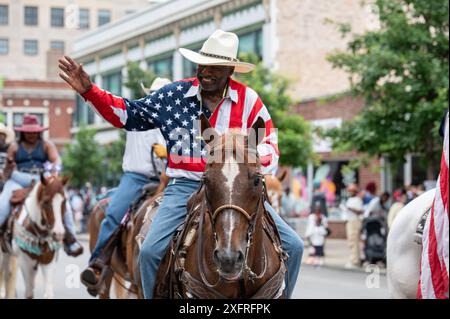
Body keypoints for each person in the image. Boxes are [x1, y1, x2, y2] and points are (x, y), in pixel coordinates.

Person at [59, 29, 304, 299]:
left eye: (214, 67)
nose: (205, 72)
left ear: (229, 71)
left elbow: (268, 143)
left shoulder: (249, 102)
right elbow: (128, 114)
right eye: (202, 65)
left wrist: (243, 162)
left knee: (295, 246)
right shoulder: (174, 96)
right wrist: (90, 91)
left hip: (236, 189)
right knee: (150, 251)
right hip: (184, 185)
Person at [79, 78, 169, 295]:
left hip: (168, 178)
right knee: (113, 214)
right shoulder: (137, 113)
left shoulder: (172, 120)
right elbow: (110, 110)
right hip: (136, 177)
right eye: (155, 94)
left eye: (163, 95)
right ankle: (98, 264)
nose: (158, 99)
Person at [0, 115, 83, 256]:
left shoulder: (47, 144)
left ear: (39, 131)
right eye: (28, 131)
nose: (31, 134)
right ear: (22, 132)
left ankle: (71, 240)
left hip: (42, 179)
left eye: (34, 132)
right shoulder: (14, 146)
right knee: (2, 205)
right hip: (17, 179)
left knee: (64, 201)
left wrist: (54, 171)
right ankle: (3, 235)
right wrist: (8, 166)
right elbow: (8, 169)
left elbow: (56, 159)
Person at [340, 183, 364, 268]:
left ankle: (355, 261)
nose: (349, 192)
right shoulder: (350, 199)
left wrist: (349, 208)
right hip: (349, 221)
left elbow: (360, 211)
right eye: (349, 191)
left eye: (351, 191)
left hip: (354, 221)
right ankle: (353, 259)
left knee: (354, 241)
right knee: (351, 242)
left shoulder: (357, 200)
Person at [0, 123, 15, 191]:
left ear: (5, 136)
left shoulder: (10, 149)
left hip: (7, 178)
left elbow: (13, 165)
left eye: (1, 135)